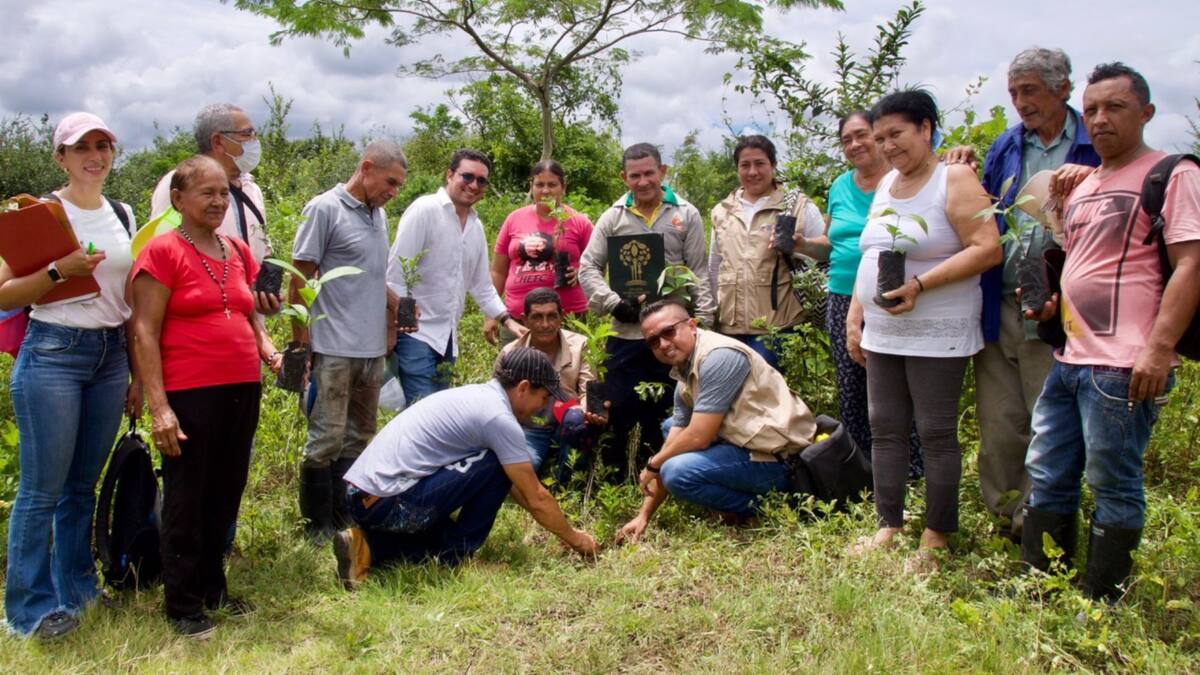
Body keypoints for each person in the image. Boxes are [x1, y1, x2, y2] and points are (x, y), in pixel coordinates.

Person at [1021, 63, 1200, 601]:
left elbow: (1190, 264)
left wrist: (1159, 349)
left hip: (1125, 364)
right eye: (1092, 109)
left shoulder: (1172, 174)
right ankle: (1041, 587)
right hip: (1070, 359)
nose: (1100, 119)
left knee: (1112, 482)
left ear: (1146, 113)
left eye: (1115, 107)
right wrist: (1051, 305)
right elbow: (1081, 264)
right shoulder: (1083, 184)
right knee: (1048, 470)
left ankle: (1101, 603)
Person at [945, 48, 1101, 540]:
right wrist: (963, 165)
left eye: (1029, 90)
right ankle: (1004, 517)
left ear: (1063, 88)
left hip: (1064, 305)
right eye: (1013, 92)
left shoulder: (1093, 142)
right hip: (1004, 299)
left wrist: (1094, 178)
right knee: (1000, 420)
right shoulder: (1008, 144)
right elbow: (986, 211)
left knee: (1049, 419)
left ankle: (1041, 520)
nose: (1020, 101)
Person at [846, 90, 1000, 570]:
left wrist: (919, 285)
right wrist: (856, 313)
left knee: (935, 431)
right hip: (883, 329)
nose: (888, 146)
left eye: (897, 134)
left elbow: (987, 247)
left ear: (926, 129)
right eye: (880, 138)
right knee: (885, 428)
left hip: (938, 329)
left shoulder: (954, 178)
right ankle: (888, 524)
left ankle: (937, 533)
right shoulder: (887, 183)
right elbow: (873, 253)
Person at [131, 155, 281, 638]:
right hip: (189, 391)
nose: (218, 202)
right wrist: (159, 407)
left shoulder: (235, 249)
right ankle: (183, 604)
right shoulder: (162, 252)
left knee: (225, 490)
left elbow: (249, 312)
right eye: (207, 193)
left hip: (242, 386)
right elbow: (143, 330)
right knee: (187, 496)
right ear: (178, 199)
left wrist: (267, 348)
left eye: (223, 194)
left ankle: (214, 588)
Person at [2, 113, 138, 640]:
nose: (95, 156)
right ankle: (30, 612)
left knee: (81, 487)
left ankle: (77, 592)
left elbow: (130, 297)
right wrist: (60, 270)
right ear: (61, 157)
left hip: (110, 355)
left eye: (103, 145)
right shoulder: (38, 214)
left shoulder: (122, 213)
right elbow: (4, 293)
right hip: (54, 352)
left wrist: (137, 373)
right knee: (42, 490)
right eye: (82, 147)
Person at [333, 347, 600, 587]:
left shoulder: (477, 396)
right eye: (543, 397)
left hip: (363, 497)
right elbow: (536, 496)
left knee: (445, 534)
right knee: (494, 466)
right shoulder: (498, 418)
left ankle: (366, 545)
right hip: (387, 502)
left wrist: (552, 523)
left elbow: (520, 488)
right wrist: (577, 539)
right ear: (523, 387)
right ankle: (456, 558)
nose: (543, 407)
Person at [616, 299, 817, 541]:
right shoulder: (685, 367)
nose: (663, 344)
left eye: (668, 332)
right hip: (748, 445)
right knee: (671, 430)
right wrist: (644, 515)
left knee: (676, 471)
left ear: (692, 325)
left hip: (781, 460)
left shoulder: (718, 357)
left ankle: (774, 506)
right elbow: (676, 436)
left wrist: (653, 464)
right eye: (653, 341)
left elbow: (699, 437)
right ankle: (740, 502)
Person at [290, 140, 409, 539]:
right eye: (390, 182)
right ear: (367, 167)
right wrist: (301, 344)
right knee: (326, 437)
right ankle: (317, 524)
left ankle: (344, 517)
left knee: (359, 436)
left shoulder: (379, 216)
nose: (393, 192)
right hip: (334, 346)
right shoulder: (325, 208)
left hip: (371, 348)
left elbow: (372, 277)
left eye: (398, 186)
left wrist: (395, 310)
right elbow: (300, 278)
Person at [578, 143, 715, 476]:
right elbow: (588, 267)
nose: (643, 182)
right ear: (623, 177)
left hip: (673, 333)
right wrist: (614, 304)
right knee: (619, 404)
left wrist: (705, 324)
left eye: (649, 173)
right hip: (626, 333)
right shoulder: (613, 217)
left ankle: (663, 472)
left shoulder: (687, 214)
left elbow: (699, 271)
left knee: (672, 405)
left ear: (662, 172)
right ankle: (617, 475)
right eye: (634, 175)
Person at [824, 112, 925, 477]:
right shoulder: (839, 186)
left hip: (895, 293)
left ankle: (912, 470)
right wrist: (801, 244)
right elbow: (831, 241)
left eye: (862, 135)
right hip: (841, 297)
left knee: (899, 385)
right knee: (851, 387)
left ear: (879, 137)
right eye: (846, 140)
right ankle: (863, 471)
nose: (855, 145)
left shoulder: (904, 179)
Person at [386, 149, 526, 405]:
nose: (474, 185)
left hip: (448, 337)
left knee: (439, 412)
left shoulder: (475, 226)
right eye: (467, 176)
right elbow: (397, 272)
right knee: (422, 411)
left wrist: (507, 320)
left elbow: (481, 285)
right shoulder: (425, 210)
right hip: (415, 334)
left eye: (481, 181)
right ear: (450, 174)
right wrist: (397, 328)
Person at [708, 135, 828, 372]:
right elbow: (715, 264)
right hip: (730, 329)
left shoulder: (798, 206)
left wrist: (802, 245)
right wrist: (713, 314)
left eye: (760, 163)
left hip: (779, 327)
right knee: (735, 392)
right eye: (745, 165)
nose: (752, 172)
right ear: (737, 169)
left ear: (773, 165)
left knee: (772, 392)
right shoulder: (722, 211)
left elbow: (826, 252)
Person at [496, 287, 607, 483]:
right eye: (537, 317)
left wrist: (586, 413)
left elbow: (588, 388)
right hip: (527, 429)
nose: (545, 324)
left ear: (562, 316)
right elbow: (497, 399)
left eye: (551, 316)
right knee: (515, 474)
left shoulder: (580, 345)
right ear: (524, 320)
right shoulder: (510, 352)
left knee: (578, 421)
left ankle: (567, 482)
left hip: (567, 422)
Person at [490, 160, 594, 347]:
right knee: (514, 364)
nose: (545, 191)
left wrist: (581, 273)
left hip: (568, 316)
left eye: (552, 184)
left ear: (563, 187)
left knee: (569, 365)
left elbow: (597, 265)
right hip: (518, 319)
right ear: (531, 186)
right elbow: (498, 271)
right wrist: (491, 314)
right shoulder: (514, 219)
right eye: (539, 184)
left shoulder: (579, 222)